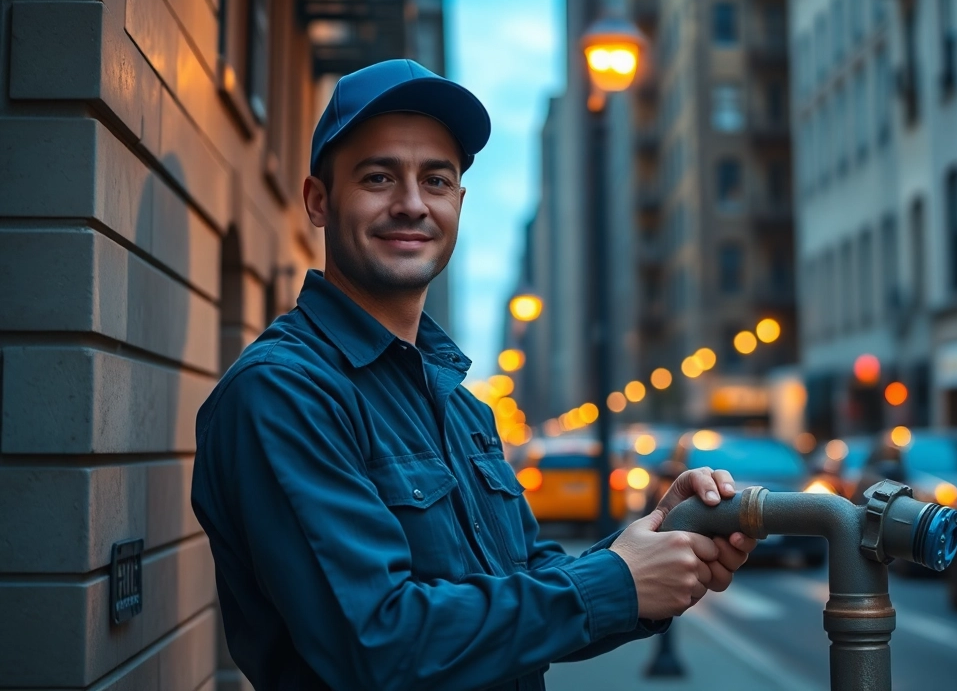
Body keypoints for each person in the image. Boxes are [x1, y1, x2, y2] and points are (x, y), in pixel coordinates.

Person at [191, 59, 757, 691]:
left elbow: (524, 584)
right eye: (378, 177)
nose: (411, 204)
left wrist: (653, 545)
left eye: (436, 180)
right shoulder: (283, 393)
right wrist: (617, 583)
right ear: (319, 201)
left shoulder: (461, 408)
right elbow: (375, 642)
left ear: (457, 203)